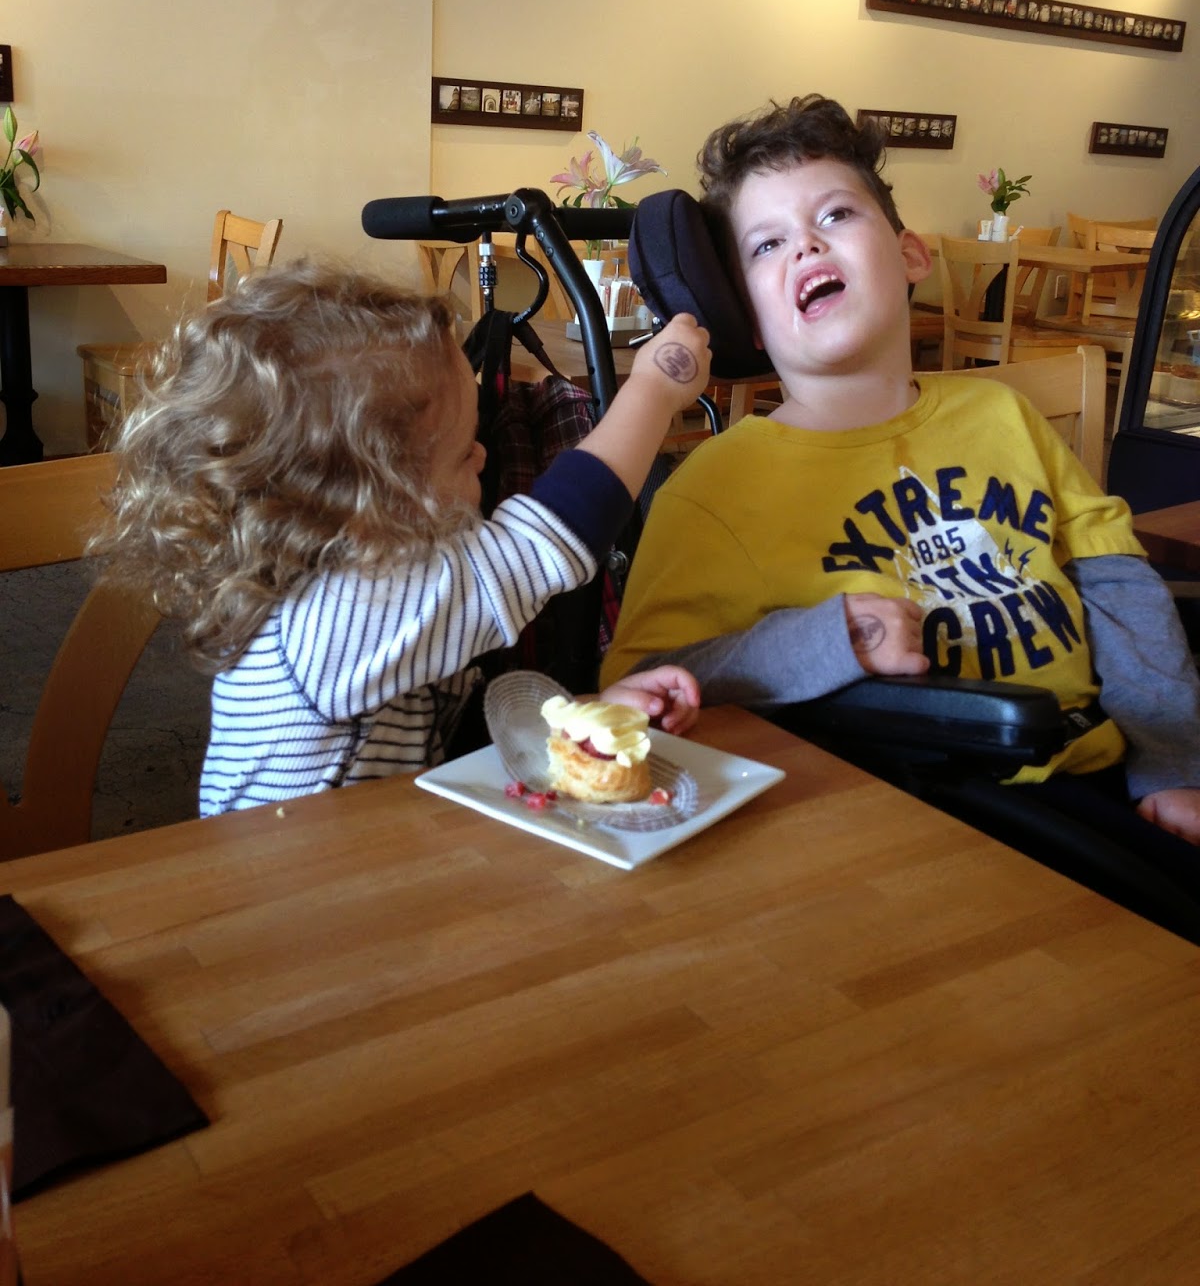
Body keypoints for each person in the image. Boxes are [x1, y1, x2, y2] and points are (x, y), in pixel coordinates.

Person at [601, 94, 1200, 851]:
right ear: (743, 316)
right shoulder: (712, 489)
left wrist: (1172, 762)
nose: (806, 247)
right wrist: (827, 641)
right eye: (767, 244)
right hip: (919, 812)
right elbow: (641, 688)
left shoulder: (1003, 414)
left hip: (1111, 775)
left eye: (836, 215)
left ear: (911, 255)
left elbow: (1118, 589)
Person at [97, 258, 711, 815]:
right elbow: (546, 540)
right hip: (295, 888)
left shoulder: (335, 578)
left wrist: (584, 724)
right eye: (463, 452)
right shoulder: (341, 612)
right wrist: (655, 388)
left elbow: (455, 735)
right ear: (371, 508)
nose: (483, 456)